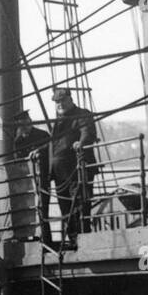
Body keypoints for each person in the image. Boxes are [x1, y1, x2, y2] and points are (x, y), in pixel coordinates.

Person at [49, 87, 99, 247]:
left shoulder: (82, 114)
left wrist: (81, 143)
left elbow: (88, 132)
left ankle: (82, 240)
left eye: (63, 100)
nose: (60, 104)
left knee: (78, 205)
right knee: (65, 208)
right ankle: (72, 239)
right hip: (60, 174)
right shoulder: (58, 121)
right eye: (57, 102)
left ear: (71, 99)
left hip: (77, 169)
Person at [13, 109, 54, 246]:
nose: (24, 127)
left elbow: (50, 147)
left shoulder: (42, 135)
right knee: (28, 210)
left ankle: (46, 239)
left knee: (42, 207)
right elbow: (18, 160)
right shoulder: (18, 141)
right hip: (26, 181)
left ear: (30, 122)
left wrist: (38, 152)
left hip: (41, 177)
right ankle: (31, 238)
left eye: (26, 123)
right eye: (21, 125)